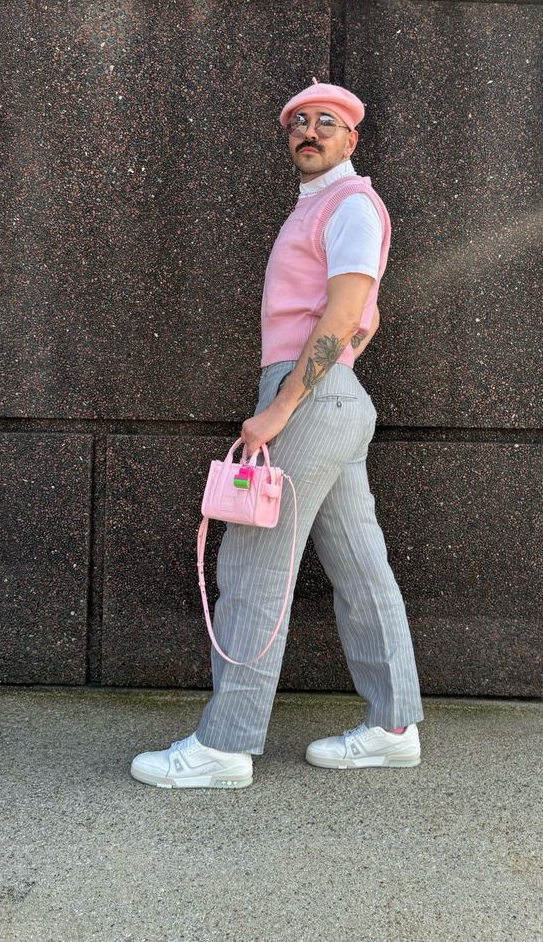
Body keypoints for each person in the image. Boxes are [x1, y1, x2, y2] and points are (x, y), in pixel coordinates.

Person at [130, 78, 424, 789]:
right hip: (333, 398)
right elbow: (359, 313)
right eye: (298, 122)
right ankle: (392, 727)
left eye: (327, 122)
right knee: (360, 567)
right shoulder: (325, 209)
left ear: (352, 139)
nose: (310, 131)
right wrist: (337, 353)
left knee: (252, 570)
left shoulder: (351, 202)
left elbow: (350, 306)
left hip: (309, 399)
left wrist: (281, 407)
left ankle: (224, 748)